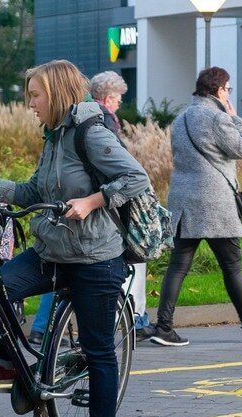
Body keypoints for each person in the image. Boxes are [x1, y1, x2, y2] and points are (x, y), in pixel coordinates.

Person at [0, 60, 151, 417]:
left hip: (95, 257)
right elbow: (33, 191)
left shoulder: (91, 134)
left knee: (98, 350)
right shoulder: (54, 137)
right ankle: (14, 363)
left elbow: (136, 179)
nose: (30, 103)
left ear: (58, 94)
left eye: (35, 95)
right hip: (51, 251)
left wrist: (92, 201)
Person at [149, 67, 242, 347]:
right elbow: (241, 149)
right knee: (232, 266)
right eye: (228, 89)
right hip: (214, 203)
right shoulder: (217, 117)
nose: (228, 93)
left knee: (178, 267)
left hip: (183, 201)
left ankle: (164, 327)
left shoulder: (181, 118)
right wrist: (236, 120)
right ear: (219, 90)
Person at [88, 71, 151, 333]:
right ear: (108, 98)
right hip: (109, 200)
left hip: (95, 199)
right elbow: (126, 170)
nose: (119, 104)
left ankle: (42, 325)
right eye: (117, 98)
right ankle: (133, 318)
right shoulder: (106, 121)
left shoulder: (86, 116)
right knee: (129, 255)